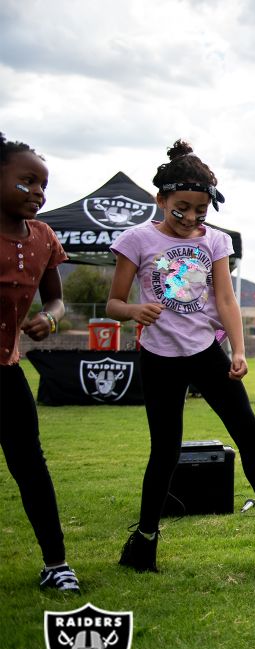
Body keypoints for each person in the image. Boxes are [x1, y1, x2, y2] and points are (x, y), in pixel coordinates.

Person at [108, 140, 255, 572]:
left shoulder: (215, 241)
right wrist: (133, 310)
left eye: (200, 209)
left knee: (249, 434)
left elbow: (225, 300)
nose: (191, 218)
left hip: (207, 352)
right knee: (164, 450)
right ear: (160, 199)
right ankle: (144, 542)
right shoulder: (136, 239)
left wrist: (238, 349)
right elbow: (113, 303)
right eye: (181, 207)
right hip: (159, 356)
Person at [0, 132, 80, 593]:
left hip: (7, 371)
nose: (38, 192)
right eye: (26, 180)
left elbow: (56, 300)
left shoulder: (44, 238)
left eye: (43, 184)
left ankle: (56, 564)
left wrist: (48, 320)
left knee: (30, 464)